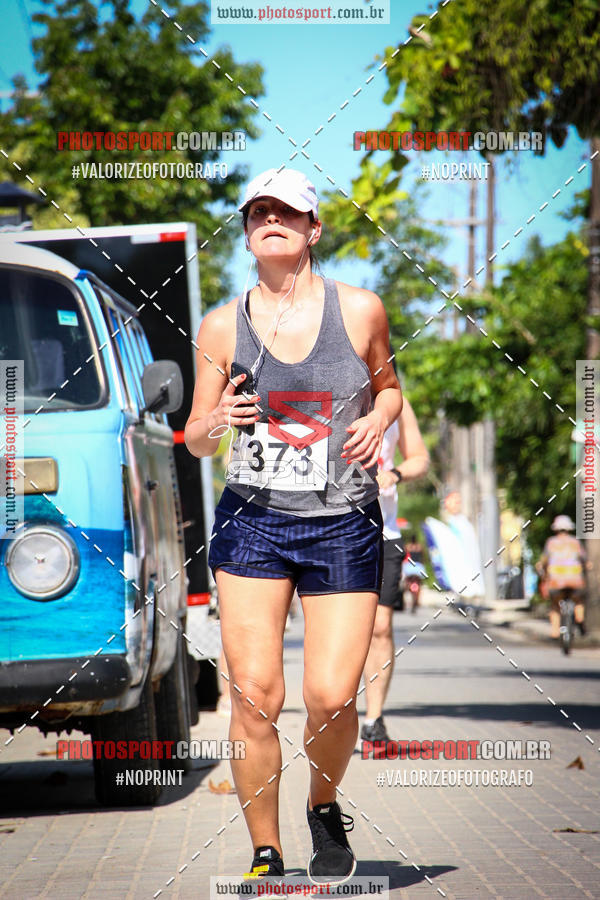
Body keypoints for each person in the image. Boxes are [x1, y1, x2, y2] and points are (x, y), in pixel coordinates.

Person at [184, 168, 402, 885]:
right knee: (256, 695)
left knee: (331, 696)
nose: (270, 220)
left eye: (287, 212)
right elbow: (196, 437)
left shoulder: (362, 310)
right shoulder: (223, 324)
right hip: (253, 523)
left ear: (313, 229)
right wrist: (215, 422)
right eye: (258, 212)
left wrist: (376, 416)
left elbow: (391, 386)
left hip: (342, 520)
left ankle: (323, 804)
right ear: (247, 232)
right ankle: (266, 852)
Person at [360, 398, 429, 744]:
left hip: (384, 531)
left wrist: (396, 473)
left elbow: (420, 458)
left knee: (381, 627)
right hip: (334, 529)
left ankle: (373, 719)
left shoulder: (398, 405)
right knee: (345, 630)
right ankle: (335, 711)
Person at [537, 515, 587, 639]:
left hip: (556, 581)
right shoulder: (575, 542)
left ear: (556, 529)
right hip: (575, 580)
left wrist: (542, 571)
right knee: (578, 600)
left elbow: (543, 561)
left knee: (554, 605)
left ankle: (554, 632)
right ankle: (580, 619)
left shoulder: (551, 543)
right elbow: (584, 560)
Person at [402, 533, 425, 613]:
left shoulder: (408, 546)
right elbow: (423, 557)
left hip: (409, 566)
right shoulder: (419, 546)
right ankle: (417, 601)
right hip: (419, 567)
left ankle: (404, 600)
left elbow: (404, 556)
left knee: (406, 583)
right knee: (419, 583)